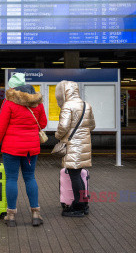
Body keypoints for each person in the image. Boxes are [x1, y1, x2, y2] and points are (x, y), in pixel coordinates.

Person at [0, 73, 47, 227]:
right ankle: (35, 214)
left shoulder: (9, 102)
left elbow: (0, 127)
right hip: (31, 148)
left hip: (11, 148)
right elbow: (43, 123)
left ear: (13, 86)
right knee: (30, 178)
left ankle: (11, 216)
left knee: (11, 179)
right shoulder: (37, 102)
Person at [55, 80, 96, 217]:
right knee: (77, 175)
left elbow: (63, 127)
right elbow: (92, 125)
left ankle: (78, 207)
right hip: (84, 144)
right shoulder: (86, 105)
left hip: (73, 146)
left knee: (75, 176)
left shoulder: (67, 106)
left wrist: (57, 135)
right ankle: (84, 204)